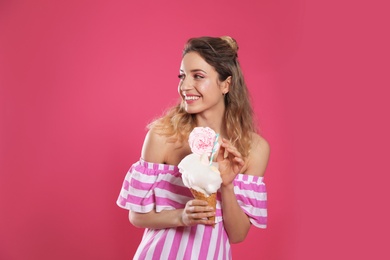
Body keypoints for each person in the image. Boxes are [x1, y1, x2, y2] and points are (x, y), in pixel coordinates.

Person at [117, 36, 270, 259]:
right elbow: (137, 216)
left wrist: (227, 186)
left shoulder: (254, 149)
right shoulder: (162, 136)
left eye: (198, 76)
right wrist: (182, 217)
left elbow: (237, 235)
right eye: (182, 76)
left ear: (226, 84)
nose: (185, 86)